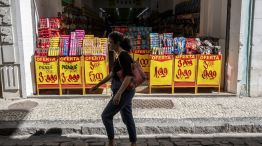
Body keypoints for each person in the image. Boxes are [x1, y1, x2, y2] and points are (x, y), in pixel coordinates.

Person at [90, 31, 137, 146]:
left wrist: (118, 94)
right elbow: (112, 74)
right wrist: (98, 85)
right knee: (127, 118)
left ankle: (111, 142)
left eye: (110, 42)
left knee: (106, 116)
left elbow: (129, 76)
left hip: (124, 91)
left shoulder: (123, 55)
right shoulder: (119, 56)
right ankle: (133, 143)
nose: (108, 44)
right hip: (124, 91)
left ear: (117, 43)